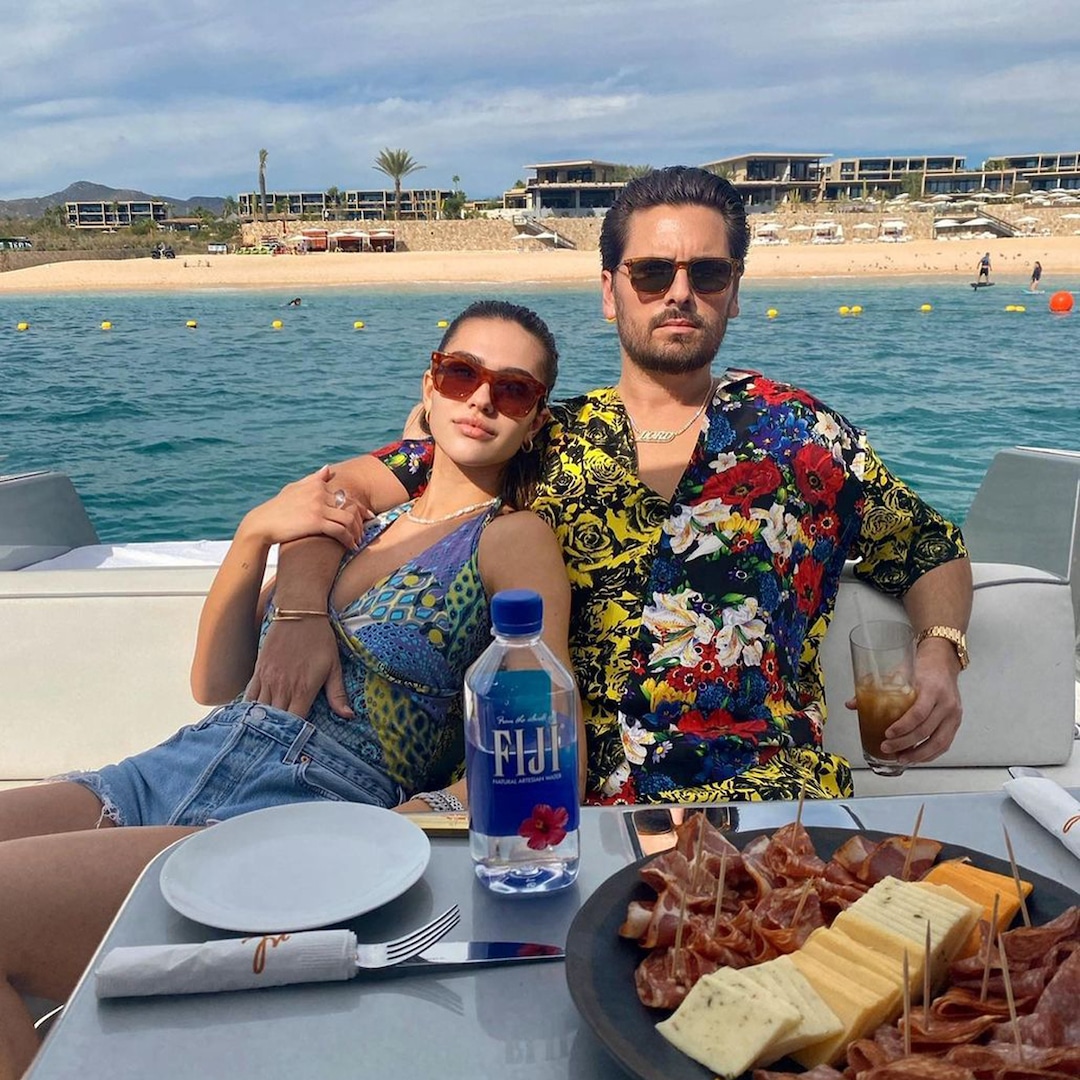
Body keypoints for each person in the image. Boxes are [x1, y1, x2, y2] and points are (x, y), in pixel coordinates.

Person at [252, 166, 971, 809]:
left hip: (773, 794)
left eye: (708, 274)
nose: (681, 294)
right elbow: (334, 491)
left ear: (735, 292)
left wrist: (939, 655)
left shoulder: (802, 435)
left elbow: (929, 548)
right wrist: (298, 613)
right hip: (577, 811)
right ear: (610, 292)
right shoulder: (533, 435)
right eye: (652, 273)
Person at [0, 299, 574, 1080]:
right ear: (430, 384)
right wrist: (252, 534)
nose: (480, 399)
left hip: (305, 805)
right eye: (462, 373)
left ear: (534, 420)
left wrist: (428, 812)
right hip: (176, 763)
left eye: (511, 390)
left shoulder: (510, 537)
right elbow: (213, 683)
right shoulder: (353, 523)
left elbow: (533, 729)